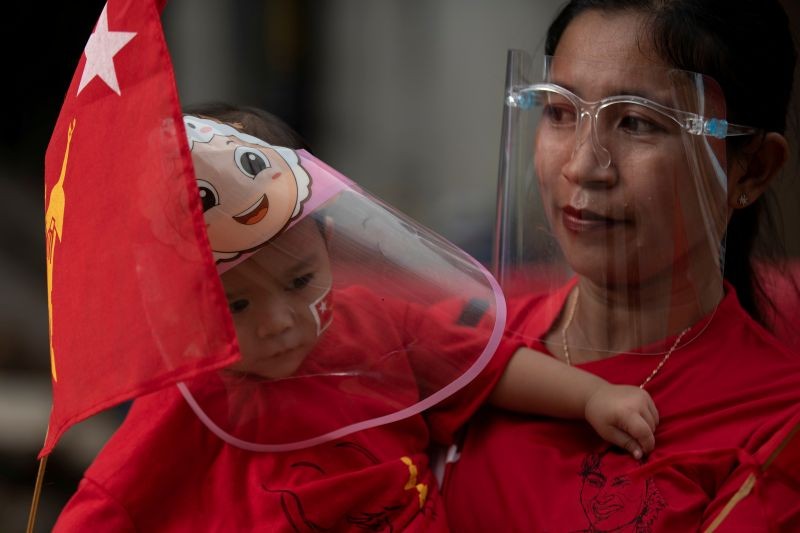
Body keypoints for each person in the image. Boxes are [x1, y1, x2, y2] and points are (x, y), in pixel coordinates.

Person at [53, 104, 662, 531]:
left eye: (299, 281)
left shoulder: (376, 324)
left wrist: (589, 397)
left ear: (329, 243)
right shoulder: (185, 398)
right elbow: (108, 502)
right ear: (181, 304)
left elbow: (484, 366)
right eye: (235, 305)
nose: (279, 321)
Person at [442, 0, 800, 530]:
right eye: (560, 112)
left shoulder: (776, 421)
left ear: (752, 170)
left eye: (636, 122)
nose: (584, 166)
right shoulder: (466, 342)